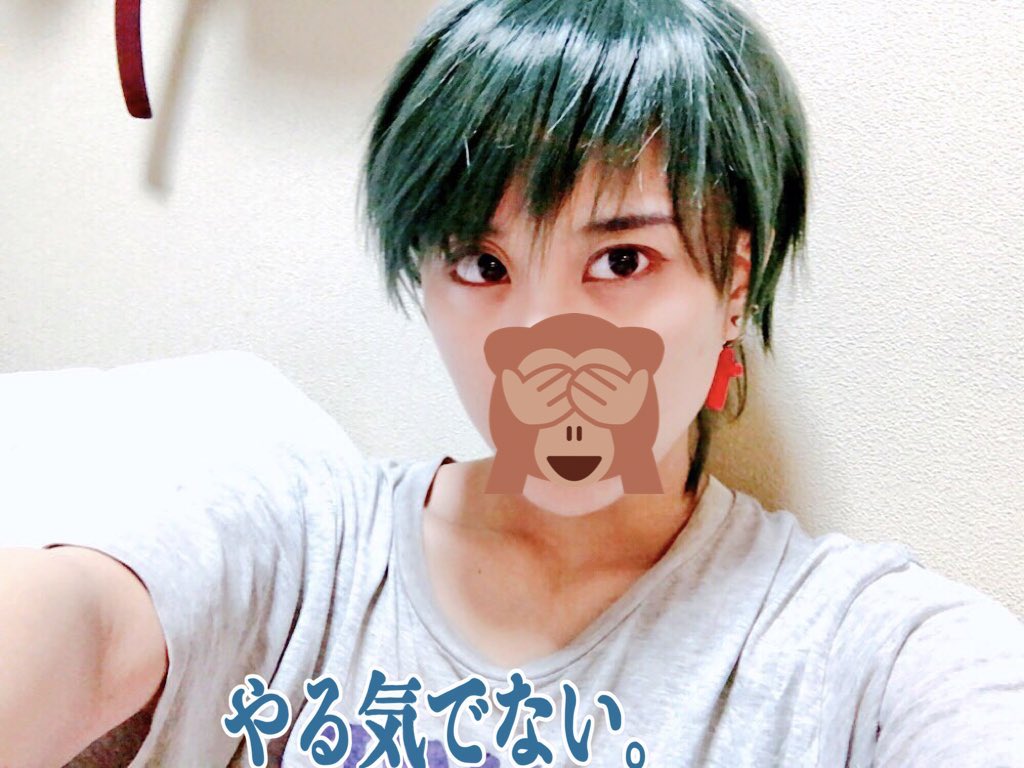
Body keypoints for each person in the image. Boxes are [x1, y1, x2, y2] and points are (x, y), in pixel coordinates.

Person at [1, 0, 1022, 765]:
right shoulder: (303, 554)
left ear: (733, 282)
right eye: (482, 265)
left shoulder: (856, 650)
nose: (544, 347)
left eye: (621, 260)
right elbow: (82, 625)